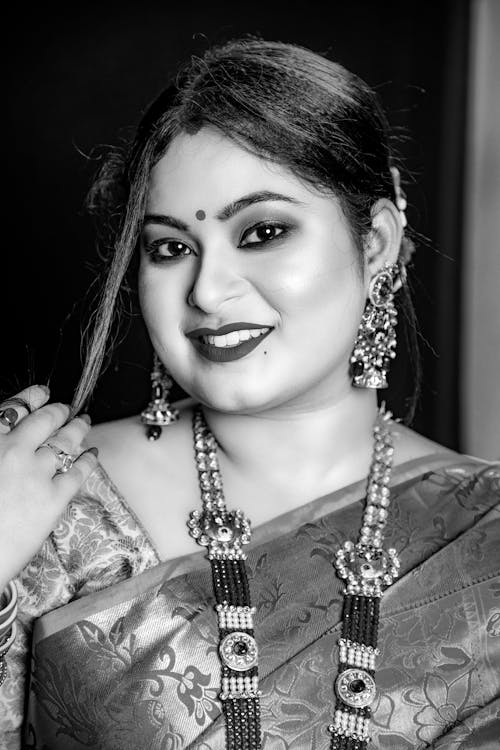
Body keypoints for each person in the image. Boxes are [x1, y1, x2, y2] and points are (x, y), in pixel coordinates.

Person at [0, 38, 498, 750]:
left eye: (263, 232)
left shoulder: (485, 540)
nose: (206, 290)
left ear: (378, 241)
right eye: (169, 248)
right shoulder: (47, 504)